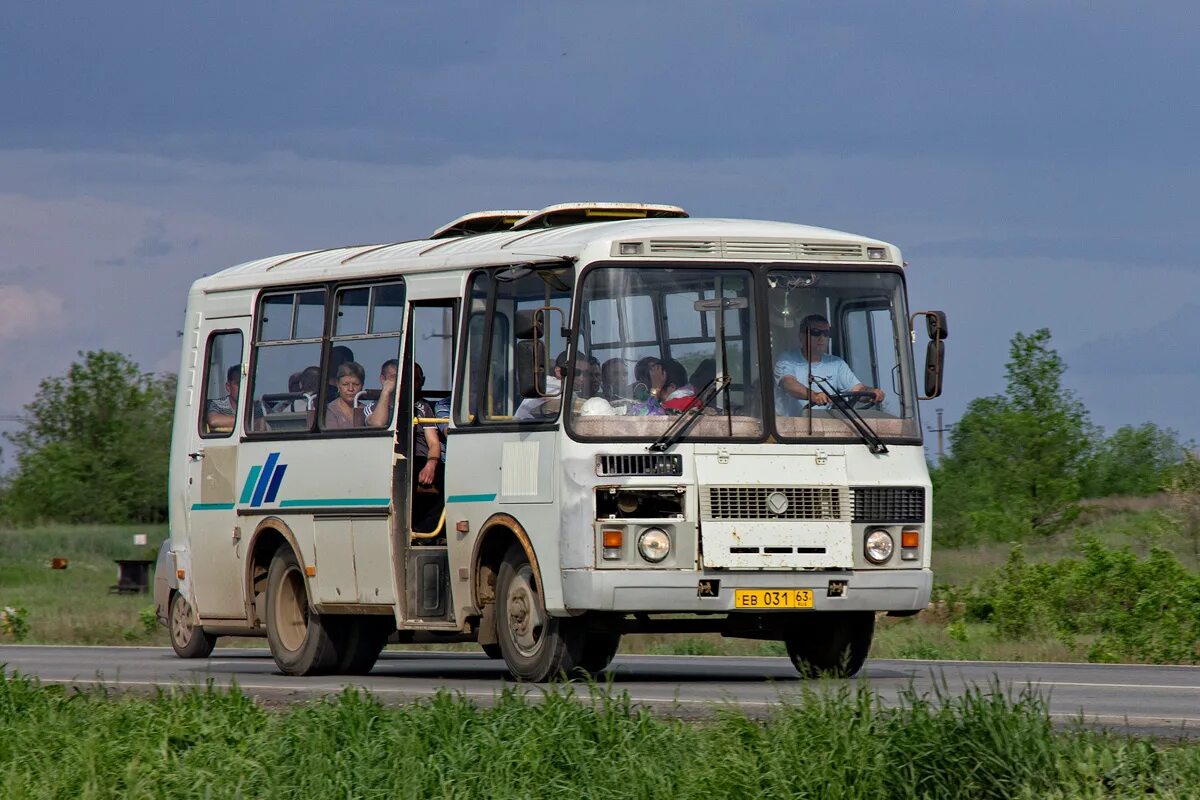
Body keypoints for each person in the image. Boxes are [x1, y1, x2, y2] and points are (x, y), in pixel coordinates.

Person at [774, 315, 884, 415]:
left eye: (826, 334)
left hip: (828, 427)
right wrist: (814, 396)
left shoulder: (836, 363)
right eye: (816, 332)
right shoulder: (787, 359)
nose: (822, 338)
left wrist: (871, 392)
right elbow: (789, 384)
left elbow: (857, 390)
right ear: (801, 336)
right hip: (792, 431)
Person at [410, 363, 443, 533]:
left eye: (416, 380)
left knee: (450, 478)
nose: (413, 384)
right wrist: (387, 393)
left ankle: (426, 530)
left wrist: (431, 465)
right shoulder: (376, 406)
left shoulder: (424, 408)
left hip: (421, 458)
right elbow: (376, 423)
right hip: (391, 460)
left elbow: (434, 443)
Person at [628, 358, 693, 416]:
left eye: (660, 390)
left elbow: (644, 416)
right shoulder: (693, 398)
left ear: (672, 387)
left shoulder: (674, 407)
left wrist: (656, 389)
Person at [325, 361, 367, 429]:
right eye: (345, 384)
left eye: (356, 384)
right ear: (338, 385)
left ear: (362, 385)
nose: (350, 389)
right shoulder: (329, 410)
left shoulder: (367, 410)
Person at [365, 358, 399, 427]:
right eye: (394, 377)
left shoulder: (414, 406)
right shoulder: (372, 407)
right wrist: (385, 392)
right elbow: (377, 424)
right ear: (383, 379)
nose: (398, 381)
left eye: (400, 377)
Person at [205, 364, 240, 431]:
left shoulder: (255, 406)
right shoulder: (217, 404)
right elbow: (213, 420)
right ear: (228, 387)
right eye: (238, 384)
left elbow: (260, 427)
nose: (242, 388)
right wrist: (245, 421)